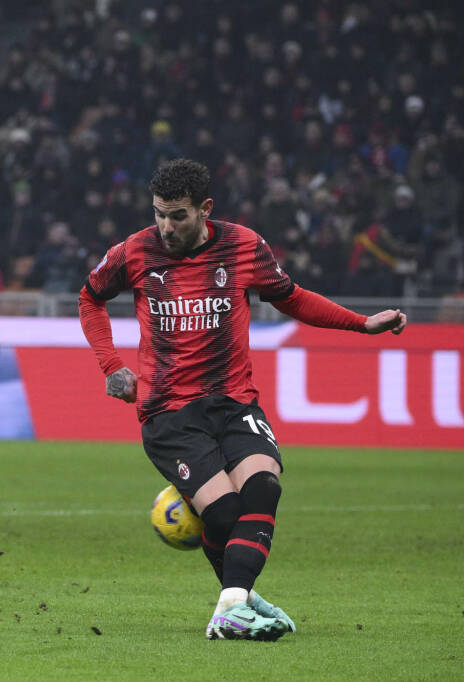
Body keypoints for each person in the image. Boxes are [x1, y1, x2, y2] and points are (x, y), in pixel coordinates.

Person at [78, 159, 406, 640]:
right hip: (169, 411)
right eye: (159, 214)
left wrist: (361, 323)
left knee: (265, 486)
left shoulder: (244, 247)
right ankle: (238, 602)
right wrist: (111, 364)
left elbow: (291, 297)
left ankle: (233, 605)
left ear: (205, 209)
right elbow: (89, 299)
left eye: (178, 216)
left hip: (234, 401)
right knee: (227, 516)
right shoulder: (135, 252)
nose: (166, 227)